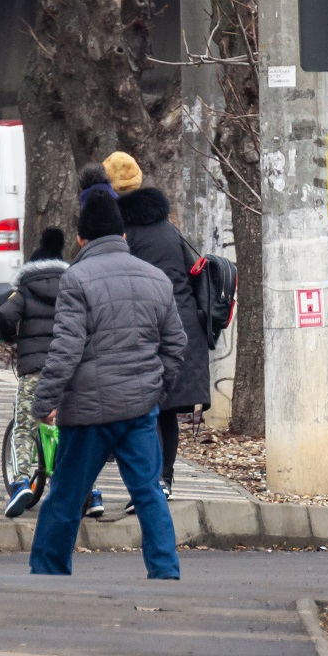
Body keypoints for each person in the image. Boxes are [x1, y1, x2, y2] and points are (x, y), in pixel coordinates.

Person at [27, 187, 189, 579]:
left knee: (65, 496)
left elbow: (66, 349)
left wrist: (43, 401)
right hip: (139, 410)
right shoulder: (155, 279)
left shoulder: (77, 279)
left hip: (88, 414)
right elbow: (176, 344)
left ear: (81, 239)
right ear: (124, 236)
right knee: (149, 493)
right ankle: (165, 571)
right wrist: (156, 390)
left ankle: (49, 572)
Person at [102, 150, 214, 511]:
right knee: (164, 410)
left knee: (139, 409)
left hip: (145, 327)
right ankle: (163, 481)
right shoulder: (169, 230)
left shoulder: (120, 234)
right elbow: (192, 274)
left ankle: (148, 483)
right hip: (183, 329)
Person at [0, 227, 69, 518]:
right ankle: (89, 491)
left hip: (34, 372)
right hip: (66, 371)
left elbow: (3, 315)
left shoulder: (24, 290)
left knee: (24, 425)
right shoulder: (73, 286)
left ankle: (22, 481)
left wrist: (5, 336)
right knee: (72, 429)